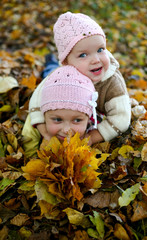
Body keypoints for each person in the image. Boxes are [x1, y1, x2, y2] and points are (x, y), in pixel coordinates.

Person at [29, 11, 131, 146]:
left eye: (100, 50)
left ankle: (52, 61)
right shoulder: (60, 76)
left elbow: (121, 118)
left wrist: (92, 137)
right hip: (59, 74)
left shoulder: (111, 82)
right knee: (49, 71)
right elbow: (36, 102)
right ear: (66, 62)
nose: (96, 60)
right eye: (83, 55)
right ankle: (50, 61)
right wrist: (45, 132)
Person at [22, 65, 98, 157]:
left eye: (77, 120)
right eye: (57, 120)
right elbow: (30, 157)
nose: (66, 130)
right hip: (54, 78)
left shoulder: (93, 127)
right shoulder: (33, 127)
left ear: (88, 119)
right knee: (49, 70)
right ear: (44, 115)